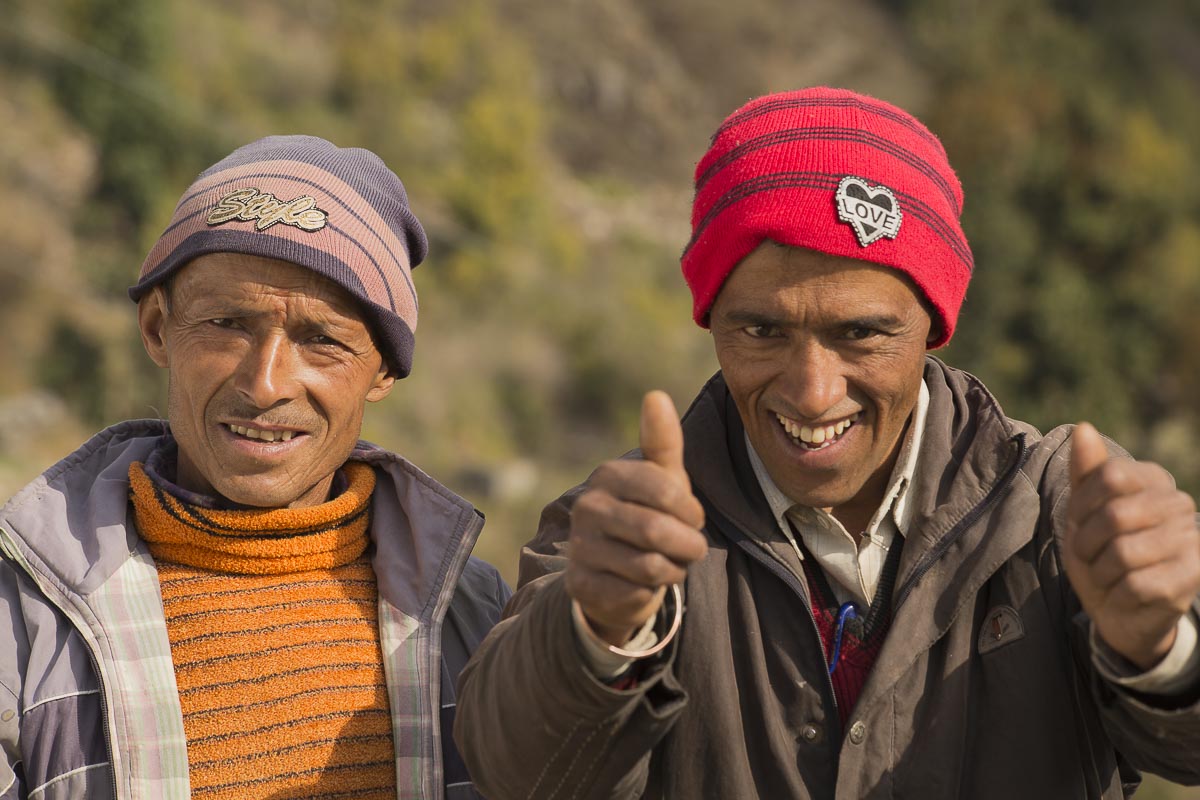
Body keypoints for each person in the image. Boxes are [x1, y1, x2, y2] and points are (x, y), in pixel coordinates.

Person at [454, 87, 1200, 798]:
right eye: (761, 330)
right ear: (712, 321)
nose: (812, 392)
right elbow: (514, 775)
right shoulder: (620, 535)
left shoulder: (1059, 510)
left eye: (862, 334)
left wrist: (1162, 647)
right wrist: (596, 635)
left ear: (933, 327)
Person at [0, 136, 509, 799]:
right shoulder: (24, 614)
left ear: (382, 369)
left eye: (321, 340)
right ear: (157, 328)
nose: (265, 384)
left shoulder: (477, 618)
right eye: (227, 323)